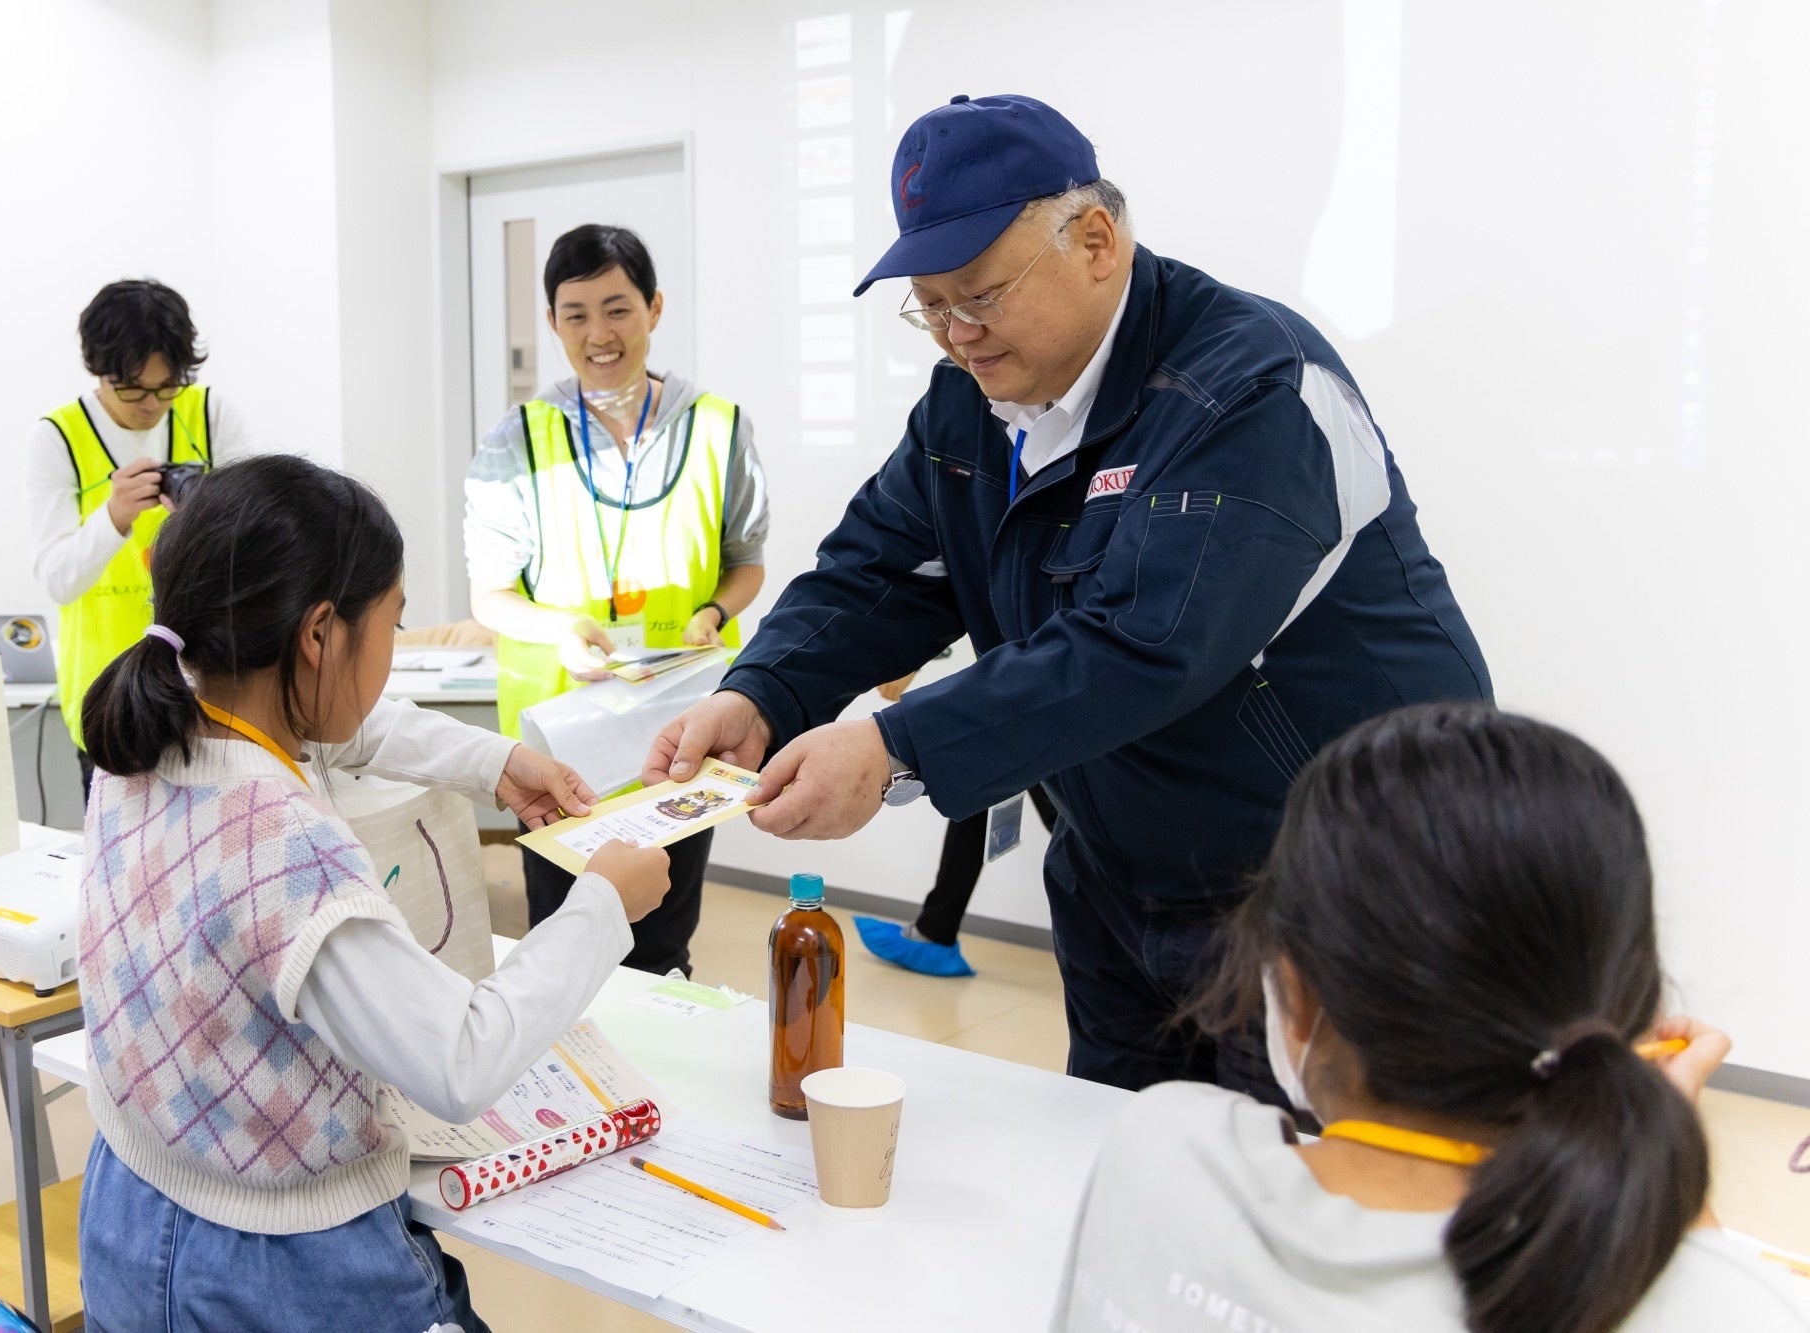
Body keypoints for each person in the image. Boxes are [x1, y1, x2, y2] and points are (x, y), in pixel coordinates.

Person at [648, 94, 1490, 1098]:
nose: (955, 335)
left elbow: (1139, 646)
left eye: (978, 295)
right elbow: (878, 569)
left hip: (1329, 883)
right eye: (929, 304)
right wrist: (763, 691)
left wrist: (894, 749)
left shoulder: (1248, 391)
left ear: (1095, 239)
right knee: (1117, 1153)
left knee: (1308, 1198)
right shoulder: (969, 403)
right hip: (1118, 870)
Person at [73, 455, 673, 1332]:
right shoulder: (289, 845)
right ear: (320, 634)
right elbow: (459, 1060)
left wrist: (495, 763)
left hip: (128, 1214)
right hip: (280, 1271)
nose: (395, 651)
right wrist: (602, 906)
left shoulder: (147, 736)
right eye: (393, 622)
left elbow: (348, 728)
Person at [1052, 702, 1810, 1332]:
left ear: (1296, 989)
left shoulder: (1161, 1148)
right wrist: (1667, 1175)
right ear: (1631, 1006)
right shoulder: (1726, 1304)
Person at [466, 223, 769, 978]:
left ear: (655, 308)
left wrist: (716, 613)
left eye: (618, 308)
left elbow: (746, 565)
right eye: (576, 314)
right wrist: (562, 626)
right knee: (561, 950)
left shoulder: (717, 427)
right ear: (552, 322)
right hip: (560, 750)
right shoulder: (516, 442)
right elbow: (491, 597)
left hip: (679, 737)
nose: (599, 334)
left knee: (663, 947)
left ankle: (660, 1097)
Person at [25, 278, 258, 804]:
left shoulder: (210, 414)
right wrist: (113, 516)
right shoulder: (57, 437)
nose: (151, 404)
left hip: (214, 682)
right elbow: (59, 580)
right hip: (112, 693)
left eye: (167, 385)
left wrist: (207, 513)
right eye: (131, 388)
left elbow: (258, 539)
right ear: (96, 369)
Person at [854, 672, 1056, 978]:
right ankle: (935, 930)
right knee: (979, 787)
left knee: (1068, 813)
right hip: (1023, 683)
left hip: (1037, 682)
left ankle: (935, 931)